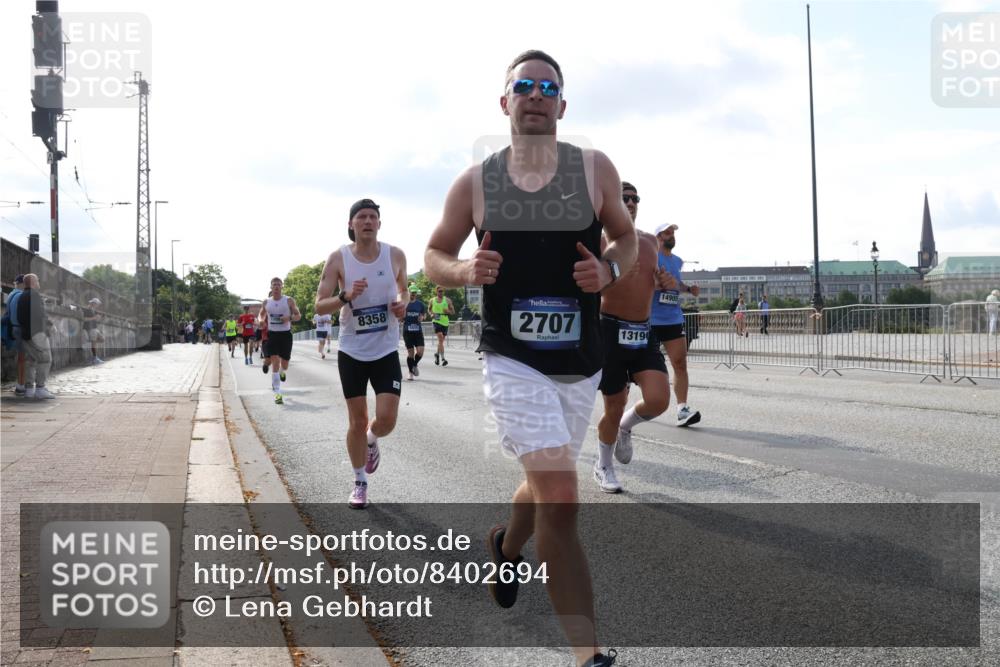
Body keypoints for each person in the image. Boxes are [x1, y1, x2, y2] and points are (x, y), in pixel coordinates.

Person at [424, 50, 635, 667]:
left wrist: (608, 269)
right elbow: (435, 254)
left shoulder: (594, 169)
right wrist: (465, 269)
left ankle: (506, 548)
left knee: (547, 485)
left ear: (562, 105)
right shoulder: (476, 182)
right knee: (562, 496)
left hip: (580, 359)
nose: (536, 94)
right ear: (505, 102)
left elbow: (626, 238)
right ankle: (589, 656)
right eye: (524, 86)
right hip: (512, 357)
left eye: (547, 87)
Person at [314, 198, 408, 509]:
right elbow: (319, 305)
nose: (368, 221)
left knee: (387, 419)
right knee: (357, 420)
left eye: (373, 217)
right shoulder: (338, 258)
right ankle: (359, 482)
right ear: (351, 224)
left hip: (385, 348)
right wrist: (345, 296)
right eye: (362, 217)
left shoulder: (395, 255)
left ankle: (372, 438)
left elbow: (404, 289)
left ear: (379, 224)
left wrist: (402, 304)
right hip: (352, 350)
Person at [593, 182, 670, 493]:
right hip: (609, 331)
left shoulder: (650, 241)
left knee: (659, 400)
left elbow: (655, 281)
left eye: (634, 198)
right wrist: (613, 276)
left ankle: (626, 427)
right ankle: (603, 465)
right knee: (613, 405)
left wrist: (663, 281)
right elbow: (590, 287)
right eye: (623, 197)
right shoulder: (599, 242)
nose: (630, 202)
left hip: (642, 331)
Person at [652, 223, 701, 427]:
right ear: (658, 237)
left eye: (673, 233)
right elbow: (640, 281)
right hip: (650, 319)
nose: (671, 235)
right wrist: (661, 284)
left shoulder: (677, 261)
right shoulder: (650, 256)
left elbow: (676, 283)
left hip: (673, 318)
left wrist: (688, 289)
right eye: (667, 233)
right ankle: (619, 404)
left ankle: (682, 409)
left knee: (680, 363)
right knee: (638, 367)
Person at [259, 278, 301, 404]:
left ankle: (282, 372)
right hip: (272, 335)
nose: (276, 287)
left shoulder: (288, 300)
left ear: (282, 286)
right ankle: (277, 393)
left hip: (286, 335)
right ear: (271, 287)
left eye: (278, 284)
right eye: (274, 285)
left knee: (285, 364)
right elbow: (261, 314)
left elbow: (298, 315)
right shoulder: (266, 302)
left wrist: (289, 318)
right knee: (275, 362)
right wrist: (261, 320)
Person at [16, 274, 55, 400]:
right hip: (37, 333)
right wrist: (49, 325)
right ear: (33, 282)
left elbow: (20, 317)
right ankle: (40, 389)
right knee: (45, 359)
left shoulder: (22, 296)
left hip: (25, 334)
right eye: (38, 280)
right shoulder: (35, 295)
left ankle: (29, 389)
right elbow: (40, 315)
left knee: (31, 361)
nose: (39, 283)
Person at [3, 275, 28, 396]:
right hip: (20, 329)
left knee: (21, 358)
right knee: (23, 359)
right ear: (22, 283)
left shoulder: (12, 294)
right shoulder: (20, 295)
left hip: (13, 328)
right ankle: (21, 385)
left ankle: (21, 384)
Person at [402, 284, 427, 380]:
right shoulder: (404, 303)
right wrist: (402, 316)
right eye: (412, 292)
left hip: (418, 331)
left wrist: (422, 317)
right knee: (411, 353)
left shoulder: (420, 304)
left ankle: (414, 365)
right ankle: (410, 373)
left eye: (415, 293)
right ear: (408, 292)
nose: (413, 294)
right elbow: (400, 317)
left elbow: (424, 314)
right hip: (407, 331)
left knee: (420, 352)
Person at [429, 286, 455, 366]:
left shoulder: (447, 300)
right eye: (439, 291)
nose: (441, 292)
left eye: (442, 291)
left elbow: (453, 312)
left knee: (441, 341)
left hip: (445, 321)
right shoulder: (432, 300)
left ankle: (437, 354)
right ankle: (443, 359)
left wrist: (448, 311)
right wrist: (431, 314)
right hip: (436, 320)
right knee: (440, 338)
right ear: (436, 292)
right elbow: (429, 309)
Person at [82, 297, 104, 363]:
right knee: (94, 343)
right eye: (97, 304)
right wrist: (94, 318)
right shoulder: (87, 309)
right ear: (93, 303)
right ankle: (95, 358)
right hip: (90, 328)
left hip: (94, 328)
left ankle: (94, 356)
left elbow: (94, 319)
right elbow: (84, 319)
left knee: (102, 339)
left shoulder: (93, 310)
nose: (98, 305)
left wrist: (98, 318)